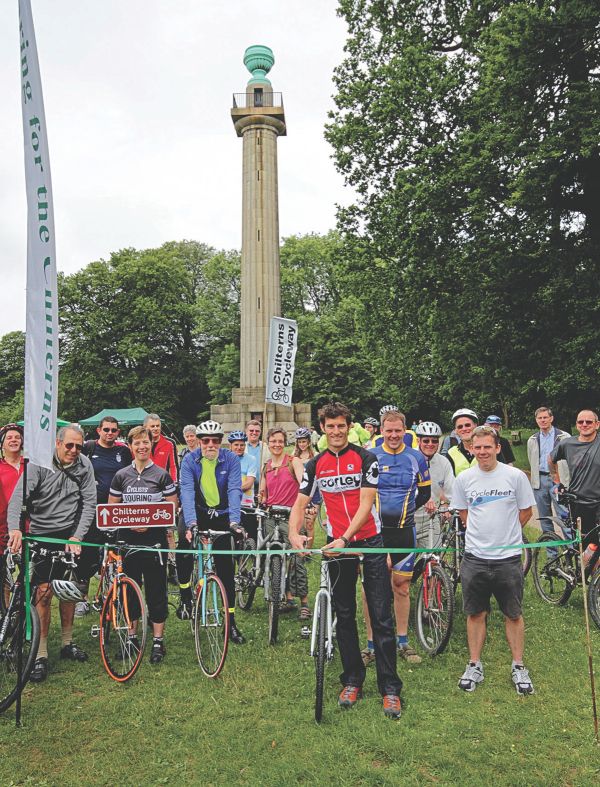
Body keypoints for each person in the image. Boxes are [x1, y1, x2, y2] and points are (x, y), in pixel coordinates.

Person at [288, 401, 403, 720]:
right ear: (322, 429)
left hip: (368, 541)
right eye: (330, 426)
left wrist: (346, 538)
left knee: (380, 615)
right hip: (337, 544)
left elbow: (366, 505)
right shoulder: (314, 465)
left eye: (341, 426)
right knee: (344, 614)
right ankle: (352, 679)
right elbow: (300, 502)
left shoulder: (367, 459)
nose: (336, 431)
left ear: (349, 427)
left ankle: (390, 688)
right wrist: (294, 534)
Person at [7, 424, 97, 683]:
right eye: (69, 445)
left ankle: (67, 643)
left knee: (68, 589)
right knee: (43, 593)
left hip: (70, 533)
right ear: (57, 443)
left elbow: (89, 502)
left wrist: (77, 536)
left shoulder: (84, 466)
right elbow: (18, 498)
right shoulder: (39, 464)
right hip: (43, 533)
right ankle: (41, 653)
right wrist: (15, 529)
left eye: (79, 446)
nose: (74, 450)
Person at [452, 425, 535, 695]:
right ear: (470, 449)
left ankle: (519, 665)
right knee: (475, 613)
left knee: (513, 613)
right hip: (475, 558)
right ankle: (474, 663)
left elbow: (525, 511)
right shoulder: (464, 479)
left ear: (497, 447)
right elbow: (464, 514)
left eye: (488, 446)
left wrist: (507, 536)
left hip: (508, 559)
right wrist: (481, 537)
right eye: (478, 447)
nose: (483, 452)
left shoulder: (514, 476)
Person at [361, 410, 431, 666]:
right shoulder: (369, 457)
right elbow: (361, 495)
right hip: (374, 534)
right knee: (370, 590)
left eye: (397, 431)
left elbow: (424, 493)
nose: (393, 435)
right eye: (388, 430)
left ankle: (403, 641)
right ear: (381, 430)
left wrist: (407, 511)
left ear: (405, 431)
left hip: (404, 531)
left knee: (401, 587)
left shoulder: (416, 458)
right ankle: (370, 645)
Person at [108, 425, 178, 664]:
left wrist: (150, 523)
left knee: (156, 590)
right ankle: (132, 636)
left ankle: (158, 640)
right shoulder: (121, 475)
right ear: (130, 447)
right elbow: (112, 508)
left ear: (151, 444)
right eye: (137, 443)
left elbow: (171, 508)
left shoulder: (161, 475)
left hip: (154, 541)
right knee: (129, 591)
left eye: (145, 442)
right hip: (128, 542)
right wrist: (129, 523)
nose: (141, 446)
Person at [179, 420, 246, 644]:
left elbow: (235, 489)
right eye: (205, 441)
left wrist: (235, 522)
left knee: (227, 569)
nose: (210, 445)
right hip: (196, 512)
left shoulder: (231, 459)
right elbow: (187, 491)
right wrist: (190, 524)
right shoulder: (189, 460)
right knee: (184, 547)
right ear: (198, 442)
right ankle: (185, 594)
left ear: (221, 442)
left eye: (215, 441)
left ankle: (231, 622)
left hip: (223, 514)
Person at [76, 416, 132, 616]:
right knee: (87, 554)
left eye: (114, 430)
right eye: (106, 429)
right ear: (99, 430)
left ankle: (115, 594)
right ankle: (81, 598)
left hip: (117, 511)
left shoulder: (123, 451)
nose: (110, 433)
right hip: (92, 508)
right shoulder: (89, 448)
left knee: (117, 555)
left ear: (118, 433)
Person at [259, 427, 309, 618]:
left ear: (285, 443)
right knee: (275, 557)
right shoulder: (267, 466)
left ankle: (303, 601)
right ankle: (283, 597)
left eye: (280, 441)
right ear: (268, 443)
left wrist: (307, 505)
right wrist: (261, 498)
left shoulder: (293, 462)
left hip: (292, 515)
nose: (277, 444)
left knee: (296, 558)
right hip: (272, 516)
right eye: (273, 441)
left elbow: (304, 485)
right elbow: (263, 493)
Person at [549, 409, 600, 556]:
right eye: (580, 421)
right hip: (578, 503)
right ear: (577, 425)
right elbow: (551, 459)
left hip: (598, 501)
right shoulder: (567, 444)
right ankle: (584, 575)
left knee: (595, 544)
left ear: (597, 424)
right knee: (584, 545)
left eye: (589, 421)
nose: (584, 424)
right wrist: (556, 481)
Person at [527, 407, 570, 546]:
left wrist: (565, 481)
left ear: (551, 418)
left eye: (545, 417)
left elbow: (570, 461)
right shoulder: (532, 439)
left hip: (558, 481)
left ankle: (572, 551)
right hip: (540, 481)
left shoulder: (564, 437)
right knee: (545, 519)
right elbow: (531, 460)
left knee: (564, 517)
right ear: (536, 420)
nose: (543, 420)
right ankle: (553, 556)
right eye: (540, 418)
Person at [414, 421, 455, 549]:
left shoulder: (443, 462)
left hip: (431, 519)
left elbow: (450, 490)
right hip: (409, 519)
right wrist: (424, 498)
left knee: (433, 560)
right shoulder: (409, 458)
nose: (430, 444)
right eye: (426, 441)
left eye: (434, 441)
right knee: (405, 563)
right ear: (418, 441)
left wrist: (447, 504)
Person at [228, 430, 258, 541]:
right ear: (230, 445)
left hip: (246, 503)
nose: (239, 447)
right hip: (229, 503)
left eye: (242, 445)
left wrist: (231, 490)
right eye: (236, 445)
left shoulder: (251, 459)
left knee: (251, 534)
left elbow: (248, 483)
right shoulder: (225, 459)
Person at [0, 424, 25, 556]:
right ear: (2, 444)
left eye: (17, 437)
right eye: (9, 438)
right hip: (3, 528)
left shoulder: (30, 465)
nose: (14, 440)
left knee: (30, 573)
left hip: (29, 526)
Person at [293, 427, 319, 549]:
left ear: (309, 442)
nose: (302, 444)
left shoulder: (316, 456)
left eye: (304, 441)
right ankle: (301, 547)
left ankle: (308, 550)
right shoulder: (294, 457)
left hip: (314, 493)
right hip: (299, 493)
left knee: (309, 523)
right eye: (299, 442)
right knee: (301, 523)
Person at [447, 408, 479, 476]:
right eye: (460, 427)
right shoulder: (451, 453)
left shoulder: (489, 448)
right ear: (455, 431)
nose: (464, 429)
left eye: (467, 425)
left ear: (476, 426)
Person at [245, 419, 268, 497]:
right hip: (245, 487)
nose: (254, 433)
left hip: (262, 488)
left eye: (257, 431)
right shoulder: (241, 447)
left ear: (260, 432)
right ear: (246, 431)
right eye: (251, 430)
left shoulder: (266, 447)